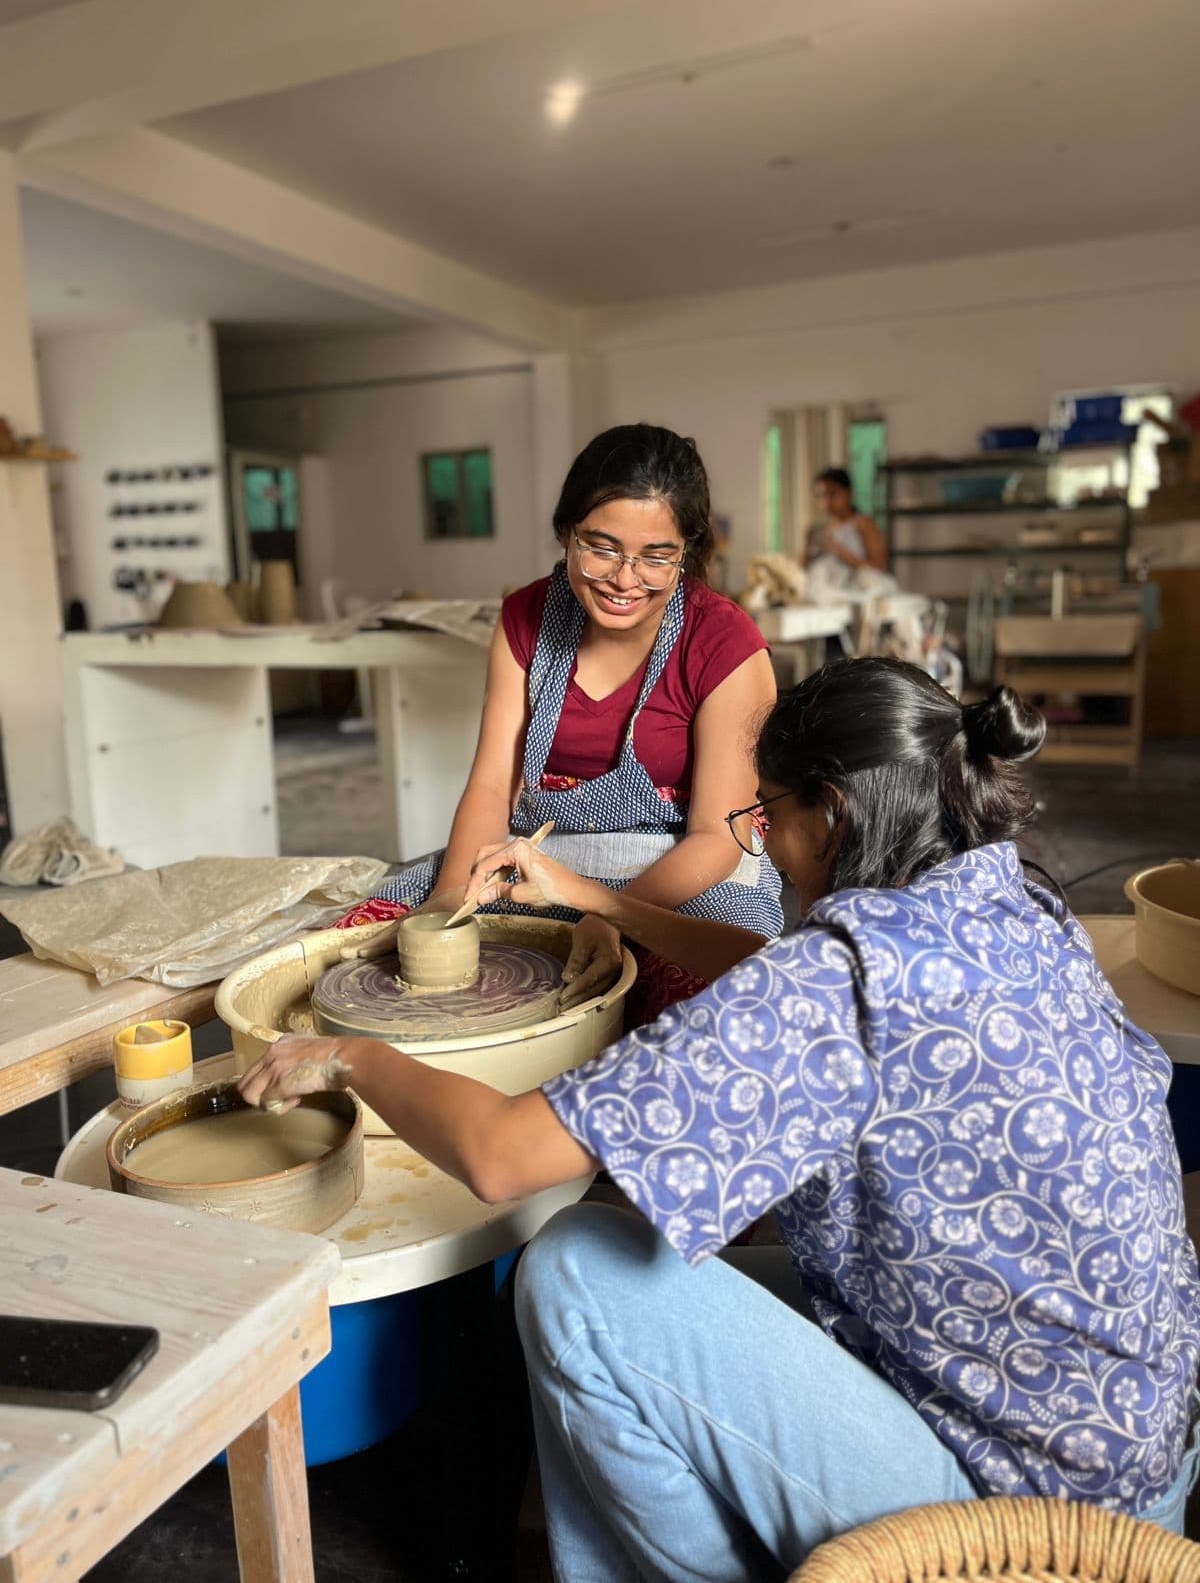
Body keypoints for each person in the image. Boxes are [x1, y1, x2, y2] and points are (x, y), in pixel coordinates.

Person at [240, 659, 1200, 1578]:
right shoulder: (1014, 903)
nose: (761, 842)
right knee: (649, 1257)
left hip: (1022, 1520)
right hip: (1121, 1455)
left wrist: (352, 1054)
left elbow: (499, 1156)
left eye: (766, 816)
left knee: (574, 1272)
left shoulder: (832, 988)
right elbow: (774, 976)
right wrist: (591, 898)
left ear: (833, 811)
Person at [336, 422, 783, 1019]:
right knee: (359, 947)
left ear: (688, 552)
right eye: (601, 547)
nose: (625, 579)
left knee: (712, 1008)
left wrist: (610, 915)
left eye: (656, 557)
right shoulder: (525, 615)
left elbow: (719, 837)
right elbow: (494, 784)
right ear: (565, 534)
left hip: (685, 870)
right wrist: (446, 903)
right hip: (541, 857)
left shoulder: (724, 642)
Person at [807, 465, 888, 573]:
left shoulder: (863, 523)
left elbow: (879, 567)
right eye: (821, 495)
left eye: (833, 493)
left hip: (858, 587)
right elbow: (802, 568)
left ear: (849, 493)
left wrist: (839, 551)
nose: (827, 501)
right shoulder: (822, 528)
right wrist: (806, 542)